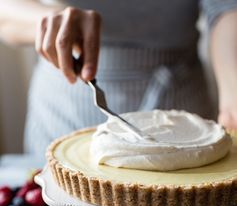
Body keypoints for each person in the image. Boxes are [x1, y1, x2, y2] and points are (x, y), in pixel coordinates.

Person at [1, 1, 237, 158]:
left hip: (181, 102)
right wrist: (50, 22)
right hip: (66, 106)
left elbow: (226, 8)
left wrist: (233, 87)